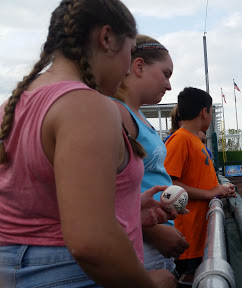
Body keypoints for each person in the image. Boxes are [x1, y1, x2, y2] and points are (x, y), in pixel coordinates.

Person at [0, 1, 177, 287]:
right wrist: (147, 284)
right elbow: (90, 242)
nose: (126, 68)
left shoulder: (12, 105)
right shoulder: (86, 106)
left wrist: (127, 208)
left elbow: (39, 206)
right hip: (71, 275)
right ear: (107, 38)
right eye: (128, 52)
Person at [111, 35, 189, 274]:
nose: (169, 86)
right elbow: (98, 193)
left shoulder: (136, 114)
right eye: (166, 74)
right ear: (139, 66)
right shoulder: (116, 111)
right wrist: (152, 232)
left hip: (152, 235)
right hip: (138, 239)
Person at [164, 87, 236, 277]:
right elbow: (169, 186)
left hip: (199, 234)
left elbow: (198, 180)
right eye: (211, 111)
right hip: (187, 238)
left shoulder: (194, 139)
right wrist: (210, 192)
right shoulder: (180, 139)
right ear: (205, 112)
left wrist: (220, 189)